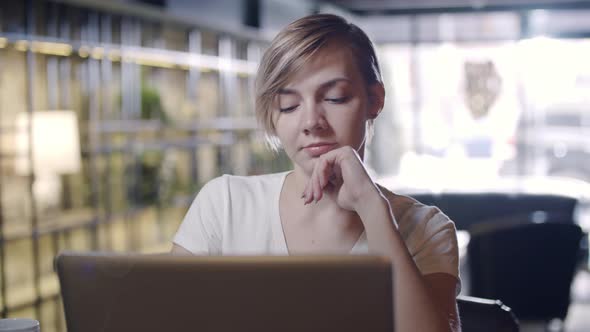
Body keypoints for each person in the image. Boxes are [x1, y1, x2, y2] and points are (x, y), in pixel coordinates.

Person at [172, 13, 460, 332]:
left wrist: (372, 207)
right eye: (289, 105)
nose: (311, 122)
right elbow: (160, 317)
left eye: (335, 97)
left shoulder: (427, 230)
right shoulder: (224, 204)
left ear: (374, 100)